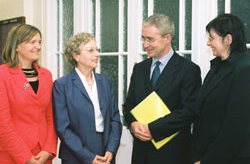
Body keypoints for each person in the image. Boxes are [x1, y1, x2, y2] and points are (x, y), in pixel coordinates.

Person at [123, 14, 201, 164]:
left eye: (150, 39)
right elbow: (129, 105)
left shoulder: (188, 70)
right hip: (141, 155)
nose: (145, 45)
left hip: (173, 154)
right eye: (143, 39)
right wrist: (133, 124)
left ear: (167, 38)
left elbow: (188, 112)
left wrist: (152, 129)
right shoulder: (139, 69)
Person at [53, 32, 122, 164]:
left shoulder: (105, 82)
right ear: (76, 56)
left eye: (97, 50)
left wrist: (111, 150)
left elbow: (115, 119)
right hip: (76, 156)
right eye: (90, 50)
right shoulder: (61, 85)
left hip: (106, 154)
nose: (96, 54)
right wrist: (88, 157)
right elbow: (63, 128)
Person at [192, 13, 250, 164]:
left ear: (228, 40)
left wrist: (208, 161)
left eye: (211, 38)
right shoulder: (216, 68)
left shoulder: (245, 70)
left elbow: (235, 127)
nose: (208, 43)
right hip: (205, 154)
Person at [0, 24, 57, 164]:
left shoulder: (46, 75)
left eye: (39, 42)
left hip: (42, 154)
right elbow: (3, 122)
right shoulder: (3, 74)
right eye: (32, 42)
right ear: (17, 46)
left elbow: (51, 116)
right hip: (12, 154)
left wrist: (49, 149)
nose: (38, 46)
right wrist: (25, 158)